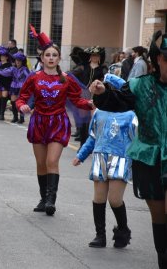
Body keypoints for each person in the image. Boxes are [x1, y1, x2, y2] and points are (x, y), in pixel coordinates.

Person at [89, 30, 167, 267]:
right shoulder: (140, 86)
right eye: (166, 58)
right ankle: (163, 257)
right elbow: (117, 103)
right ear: (157, 60)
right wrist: (102, 93)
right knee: (159, 215)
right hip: (149, 157)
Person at [15, 26, 94, 216]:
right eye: (47, 55)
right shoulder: (33, 78)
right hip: (38, 122)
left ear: (59, 59)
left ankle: (51, 200)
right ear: (42, 58)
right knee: (41, 164)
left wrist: (91, 103)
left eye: (54, 55)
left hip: (58, 122)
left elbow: (77, 99)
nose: (51, 58)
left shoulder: (67, 79)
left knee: (52, 161)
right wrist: (22, 107)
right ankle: (43, 198)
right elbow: (21, 98)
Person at [72, 73, 135, 249]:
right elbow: (92, 137)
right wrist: (81, 155)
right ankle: (100, 235)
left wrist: (134, 160)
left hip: (121, 158)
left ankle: (123, 229)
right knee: (99, 198)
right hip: (100, 157)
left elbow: (135, 139)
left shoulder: (130, 114)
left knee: (115, 199)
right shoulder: (99, 112)